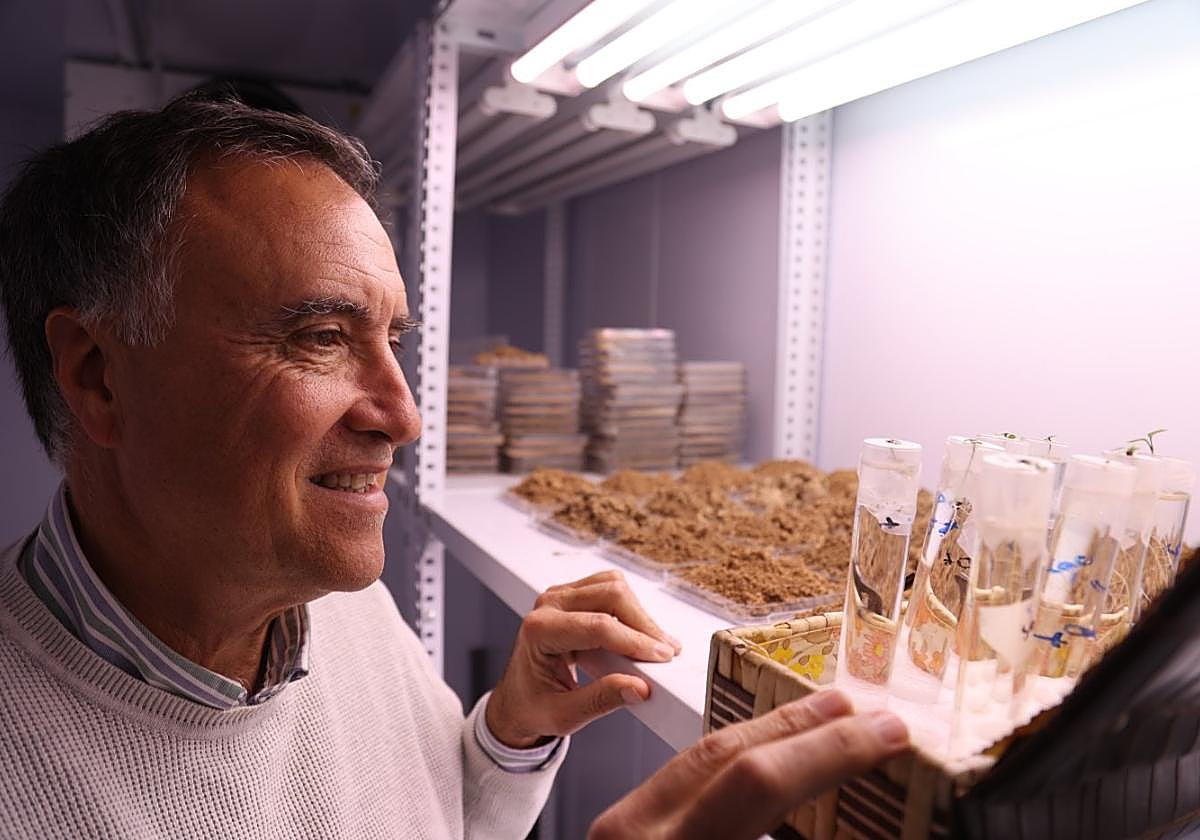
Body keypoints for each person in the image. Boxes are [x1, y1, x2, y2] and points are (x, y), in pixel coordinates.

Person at [0, 95, 909, 839]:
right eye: (321, 337)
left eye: (391, 340)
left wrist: (508, 731)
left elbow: (437, 819)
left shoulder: (332, 598)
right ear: (100, 376)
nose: (403, 417)